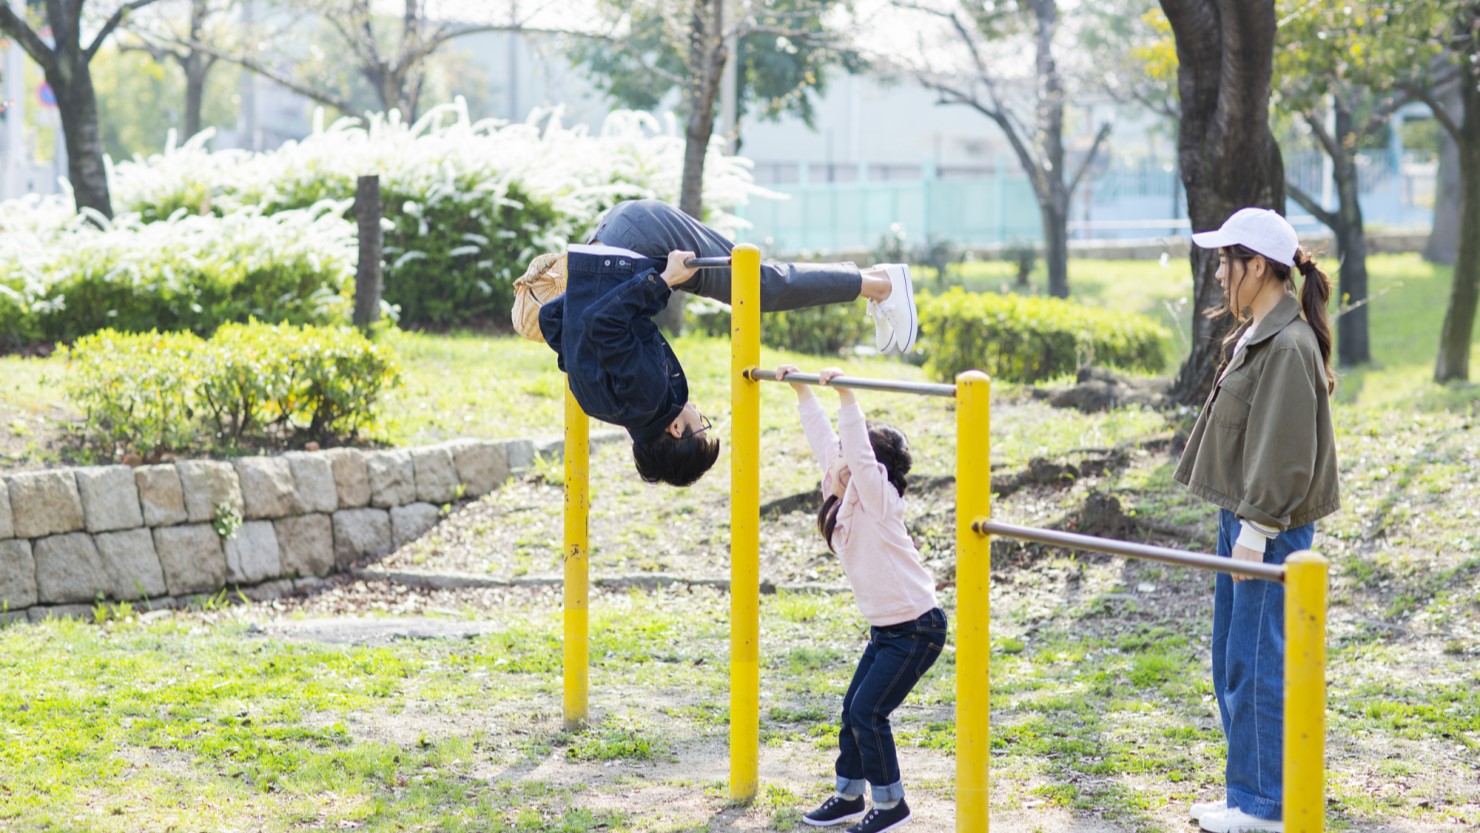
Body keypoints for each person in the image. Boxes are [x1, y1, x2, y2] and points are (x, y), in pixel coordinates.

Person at [528, 199, 919, 488]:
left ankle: (881, 285)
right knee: (752, 286)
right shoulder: (599, 405)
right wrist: (594, 286)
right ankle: (875, 285)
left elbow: (602, 323)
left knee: (758, 287)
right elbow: (554, 320)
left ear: (676, 430)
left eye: (701, 425)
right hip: (608, 243)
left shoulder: (646, 399)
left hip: (641, 239)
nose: (700, 414)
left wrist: (663, 280)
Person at [1175, 208, 1341, 833]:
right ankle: (1246, 793)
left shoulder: (1289, 344)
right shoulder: (1262, 332)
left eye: (1227, 262)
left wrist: (1255, 531)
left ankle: (1266, 807)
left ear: (1260, 267)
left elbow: (1286, 450)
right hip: (1245, 517)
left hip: (1266, 527)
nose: (1219, 275)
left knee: (1258, 662)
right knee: (1232, 658)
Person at [776, 363, 945, 833]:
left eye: (848, 455)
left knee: (868, 712)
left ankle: (891, 805)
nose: (836, 459)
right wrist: (803, 392)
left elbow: (857, 454)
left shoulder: (877, 497)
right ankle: (849, 795)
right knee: (852, 709)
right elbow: (823, 439)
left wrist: (848, 398)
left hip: (917, 628)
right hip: (887, 630)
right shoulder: (842, 491)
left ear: (867, 465)